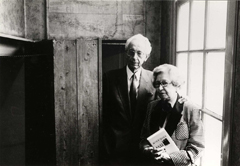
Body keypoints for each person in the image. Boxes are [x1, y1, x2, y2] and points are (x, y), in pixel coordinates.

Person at [102, 34, 156, 165]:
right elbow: (104, 113)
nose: (134, 58)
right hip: (116, 147)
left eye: (139, 53)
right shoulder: (110, 78)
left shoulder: (154, 79)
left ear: (146, 57)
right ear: (126, 53)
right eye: (131, 53)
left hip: (144, 146)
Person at [140, 64, 205, 166]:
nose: (160, 88)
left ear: (176, 85)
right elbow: (144, 138)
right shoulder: (152, 107)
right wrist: (149, 150)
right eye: (157, 84)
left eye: (164, 83)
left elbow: (197, 148)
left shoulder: (190, 109)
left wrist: (171, 158)